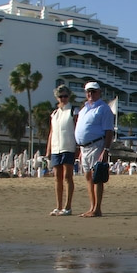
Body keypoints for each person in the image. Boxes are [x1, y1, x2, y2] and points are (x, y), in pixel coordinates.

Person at [74, 81, 115, 217]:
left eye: (93, 91)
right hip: (84, 147)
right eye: (88, 92)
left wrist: (106, 149)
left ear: (99, 92)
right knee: (88, 177)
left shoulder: (103, 109)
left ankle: (97, 208)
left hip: (97, 145)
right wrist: (80, 148)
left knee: (96, 176)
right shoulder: (83, 109)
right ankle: (92, 206)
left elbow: (109, 131)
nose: (90, 94)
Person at [46, 85, 79, 215]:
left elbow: (77, 129)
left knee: (67, 176)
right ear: (57, 98)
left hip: (68, 146)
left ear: (69, 96)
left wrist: (77, 147)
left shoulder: (73, 111)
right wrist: (48, 149)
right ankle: (58, 206)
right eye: (60, 96)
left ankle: (67, 206)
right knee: (57, 177)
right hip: (56, 148)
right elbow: (51, 132)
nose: (63, 99)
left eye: (65, 96)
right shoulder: (55, 114)